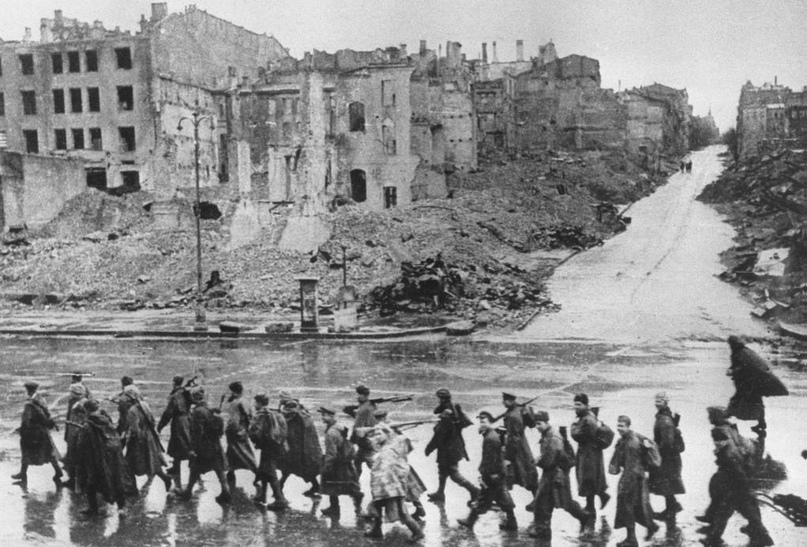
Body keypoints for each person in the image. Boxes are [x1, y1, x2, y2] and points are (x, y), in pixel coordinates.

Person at [699, 428, 773, 547]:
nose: (716, 443)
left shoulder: (728, 453)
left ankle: (714, 539)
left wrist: (744, 487)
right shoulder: (728, 450)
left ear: (722, 440)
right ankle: (764, 538)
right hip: (737, 488)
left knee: (726, 514)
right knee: (747, 514)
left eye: (717, 440)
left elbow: (738, 472)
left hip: (735, 489)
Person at [529, 411, 593, 541]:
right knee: (542, 501)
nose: (537, 427)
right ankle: (543, 529)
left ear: (546, 422)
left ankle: (586, 518)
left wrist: (538, 461)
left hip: (557, 475)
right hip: (551, 474)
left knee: (566, 502)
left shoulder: (553, 437)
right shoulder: (547, 434)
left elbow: (549, 460)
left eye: (539, 423)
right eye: (535, 424)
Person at [76, 398, 138, 516]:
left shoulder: (87, 425)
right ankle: (122, 507)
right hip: (112, 457)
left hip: (95, 459)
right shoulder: (106, 421)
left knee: (91, 483)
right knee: (116, 480)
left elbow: (81, 445)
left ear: (87, 410)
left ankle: (93, 508)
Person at [457, 411, 517, 531]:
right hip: (498, 473)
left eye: (484, 422)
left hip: (492, 474)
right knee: (502, 498)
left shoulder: (490, 438)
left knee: (484, 497)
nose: (482, 424)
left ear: (490, 423)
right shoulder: (492, 435)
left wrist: (489, 474)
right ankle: (512, 523)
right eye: (481, 422)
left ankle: (470, 521)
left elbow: (491, 459)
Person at [364, 424, 424, 541]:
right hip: (384, 488)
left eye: (379, 434)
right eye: (375, 435)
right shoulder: (387, 447)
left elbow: (387, 471)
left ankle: (418, 532)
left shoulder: (388, 451)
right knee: (376, 507)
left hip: (391, 489)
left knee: (402, 512)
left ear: (387, 434)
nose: (376, 437)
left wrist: (385, 487)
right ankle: (376, 530)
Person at [608, 415, 659, 547]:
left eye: (622, 426)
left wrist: (625, 483)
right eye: (618, 425)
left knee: (627, 507)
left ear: (628, 427)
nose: (619, 429)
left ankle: (632, 539)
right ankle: (651, 526)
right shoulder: (627, 439)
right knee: (637, 506)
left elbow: (632, 465)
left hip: (632, 478)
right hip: (636, 477)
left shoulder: (631, 443)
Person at [176, 386, 231, 504]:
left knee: (195, 467)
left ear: (194, 398)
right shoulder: (210, 410)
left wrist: (192, 449)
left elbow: (197, 432)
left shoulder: (198, 412)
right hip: (215, 443)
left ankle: (188, 492)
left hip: (203, 446)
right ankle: (226, 491)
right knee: (218, 469)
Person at [424, 388, 479, 505]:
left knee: (453, 474)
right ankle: (440, 493)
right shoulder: (451, 409)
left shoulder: (447, 416)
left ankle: (474, 491)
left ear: (443, 399)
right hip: (451, 448)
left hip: (449, 451)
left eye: (440, 399)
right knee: (442, 471)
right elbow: (436, 411)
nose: (438, 401)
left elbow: (439, 436)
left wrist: (429, 448)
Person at [725, 335, 788, 437]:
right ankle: (761, 423)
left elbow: (743, 367)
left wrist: (733, 371)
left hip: (750, 383)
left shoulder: (738, 354)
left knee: (739, 399)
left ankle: (728, 417)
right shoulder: (746, 352)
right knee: (755, 401)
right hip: (754, 382)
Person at [121, 384, 172, 491]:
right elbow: (152, 421)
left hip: (138, 440)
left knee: (129, 463)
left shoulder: (132, 411)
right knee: (152, 461)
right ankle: (165, 478)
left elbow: (135, 429)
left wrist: (129, 438)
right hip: (149, 436)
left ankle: (132, 489)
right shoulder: (144, 405)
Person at [12, 381, 63, 486]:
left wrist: (22, 429)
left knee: (26, 452)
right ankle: (58, 471)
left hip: (32, 432)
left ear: (28, 391)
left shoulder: (29, 404)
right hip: (42, 431)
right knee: (48, 452)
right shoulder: (41, 399)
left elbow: (26, 419)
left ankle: (23, 475)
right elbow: (47, 414)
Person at [570, 393, 609, 523]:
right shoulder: (586, 417)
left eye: (579, 404)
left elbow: (577, 435)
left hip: (589, 453)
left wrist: (573, 426)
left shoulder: (587, 419)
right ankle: (601, 497)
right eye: (575, 404)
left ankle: (591, 509)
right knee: (590, 479)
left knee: (588, 479)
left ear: (586, 405)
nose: (576, 407)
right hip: (589, 452)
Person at [318, 406, 363, 519]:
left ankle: (337, 508)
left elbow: (331, 453)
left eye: (324, 415)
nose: (322, 417)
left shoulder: (331, 432)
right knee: (347, 484)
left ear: (331, 416)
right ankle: (343, 506)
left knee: (331, 484)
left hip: (336, 463)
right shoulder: (339, 427)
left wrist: (327, 466)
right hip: (344, 460)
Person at [248, 393, 289, 510]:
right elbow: (284, 430)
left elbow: (254, 433)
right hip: (279, 446)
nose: (254, 404)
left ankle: (279, 500)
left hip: (268, 448)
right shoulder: (276, 413)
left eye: (255, 402)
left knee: (271, 473)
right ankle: (262, 496)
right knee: (264, 470)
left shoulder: (261, 415)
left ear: (259, 403)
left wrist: (257, 442)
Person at [648, 392, 685, 522]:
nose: (657, 403)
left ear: (665, 402)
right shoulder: (663, 416)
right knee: (667, 484)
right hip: (668, 456)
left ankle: (671, 510)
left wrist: (654, 448)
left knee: (666, 483)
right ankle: (672, 507)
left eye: (660, 401)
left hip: (668, 457)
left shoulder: (664, 420)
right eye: (656, 401)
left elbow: (667, 443)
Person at [278, 396, 322, 497]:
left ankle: (279, 487)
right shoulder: (302, 413)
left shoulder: (294, 416)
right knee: (297, 468)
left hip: (299, 449)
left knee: (292, 467)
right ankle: (315, 485)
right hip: (303, 448)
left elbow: (292, 433)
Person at [157, 375, 193, 486]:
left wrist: (160, 425)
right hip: (188, 419)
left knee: (180, 443)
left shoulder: (175, 395)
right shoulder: (185, 392)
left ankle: (191, 465)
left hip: (179, 421)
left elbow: (168, 413)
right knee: (182, 443)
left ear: (174, 383)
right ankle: (176, 466)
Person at [501, 392, 538, 497]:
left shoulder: (513, 416)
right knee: (527, 473)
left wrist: (508, 457)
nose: (503, 402)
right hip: (521, 446)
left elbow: (514, 437)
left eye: (504, 400)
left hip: (517, 449)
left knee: (521, 473)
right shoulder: (516, 410)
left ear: (510, 401)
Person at [224, 381, 258, 487]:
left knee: (242, 453)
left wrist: (230, 429)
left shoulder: (236, 403)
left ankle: (257, 472)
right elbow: (252, 416)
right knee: (238, 452)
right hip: (242, 430)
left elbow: (234, 420)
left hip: (236, 431)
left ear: (234, 391)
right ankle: (231, 471)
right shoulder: (245, 401)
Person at [62, 375, 92, 489]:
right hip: (74, 433)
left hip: (77, 434)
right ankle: (75, 480)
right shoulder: (78, 402)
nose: (70, 394)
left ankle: (74, 481)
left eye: (71, 392)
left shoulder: (81, 404)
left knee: (76, 458)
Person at [344, 383, 377, 478]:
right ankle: (354, 483)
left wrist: (353, 440)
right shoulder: (368, 406)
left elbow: (360, 424)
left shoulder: (365, 408)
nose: (358, 396)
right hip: (365, 441)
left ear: (364, 395)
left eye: (360, 394)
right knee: (357, 463)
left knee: (374, 467)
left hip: (366, 441)